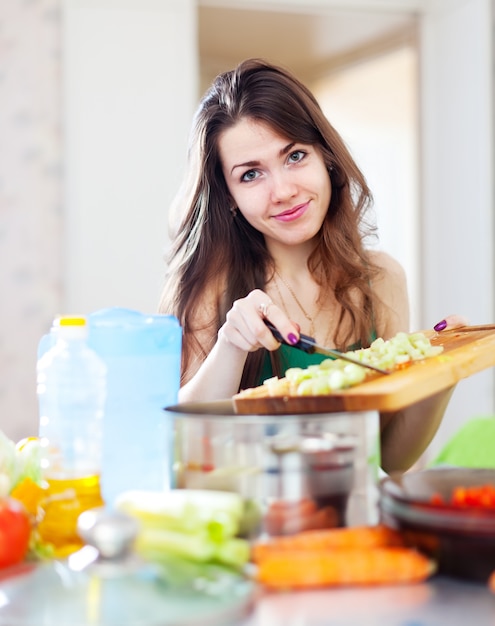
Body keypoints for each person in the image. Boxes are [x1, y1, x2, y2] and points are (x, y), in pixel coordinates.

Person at [159, 58, 462, 474]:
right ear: (227, 195)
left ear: (327, 157)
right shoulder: (205, 287)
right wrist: (230, 347)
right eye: (250, 175)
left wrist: (443, 374)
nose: (283, 191)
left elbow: (391, 458)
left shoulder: (382, 280)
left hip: (351, 522)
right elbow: (184, 452)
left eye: (295, 155)